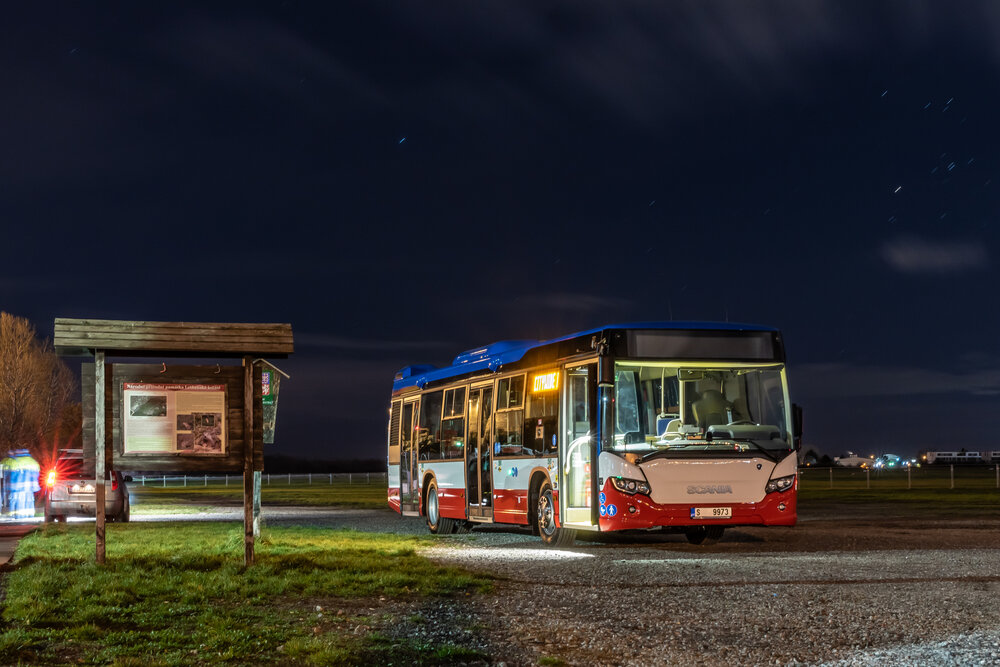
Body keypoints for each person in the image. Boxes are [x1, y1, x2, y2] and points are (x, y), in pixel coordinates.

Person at [10, 449, 40, 519]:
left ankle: (20, 517)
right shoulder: (33, 462)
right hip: (30, 487)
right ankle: (30, 517)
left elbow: (12, 476)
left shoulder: (15, 462)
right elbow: (36, 475)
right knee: (29, 502)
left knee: (19, 503)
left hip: (17, 487)